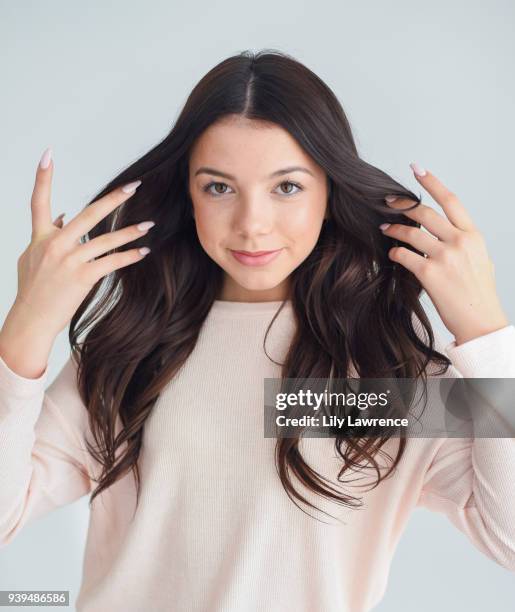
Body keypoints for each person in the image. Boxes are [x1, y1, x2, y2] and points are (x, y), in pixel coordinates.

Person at [0, 49, 514, 612]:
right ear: (187, 195)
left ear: (328, 192)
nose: (251, 224)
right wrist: (26, 329)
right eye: (219, 187)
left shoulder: (385, 370)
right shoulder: (132, 351)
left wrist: (485, 333)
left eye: (287, 187)